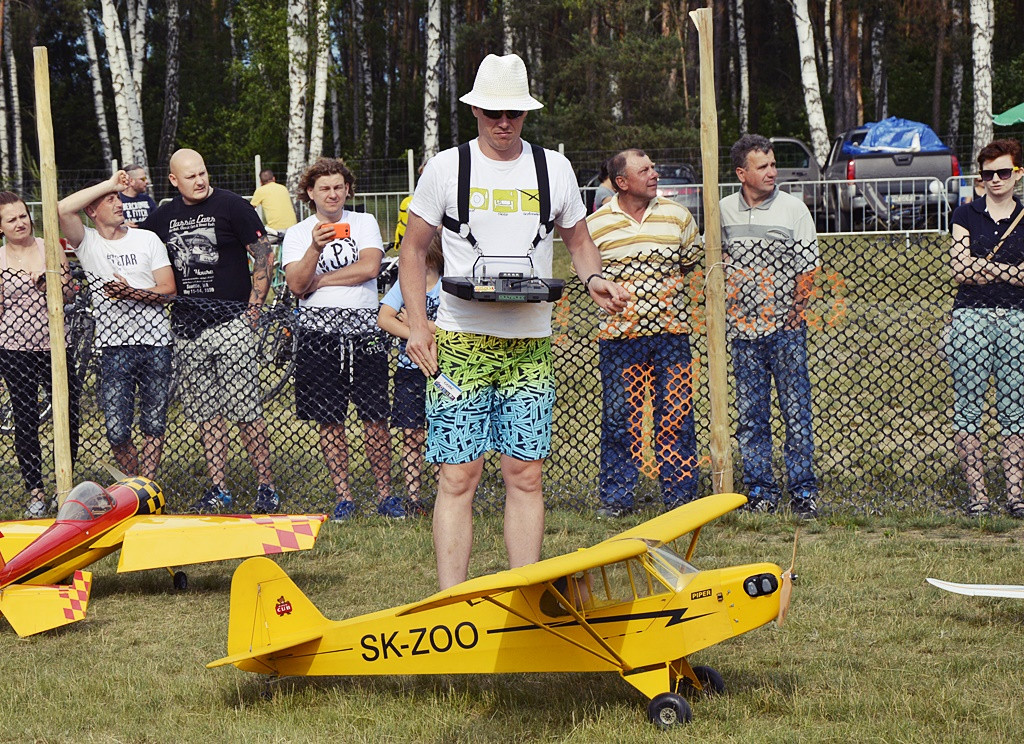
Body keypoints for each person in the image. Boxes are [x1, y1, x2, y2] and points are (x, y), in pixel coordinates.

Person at [399, 53, 629, 589]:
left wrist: (595, 280)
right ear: (475, 110)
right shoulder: (445, 168)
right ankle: (451, 600)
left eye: (516, 114)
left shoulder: (554, 169)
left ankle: (524, 597)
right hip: (459, 343)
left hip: (530, 343)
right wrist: (417, 324)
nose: (505, 123)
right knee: (459, 476)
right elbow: (413, 251)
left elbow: (578, 242)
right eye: (494, 113)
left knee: (525, 474)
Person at [139, 148, 281, 513]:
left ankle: (266, 485)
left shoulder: (233, 205)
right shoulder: (164, 216)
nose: (200, 181)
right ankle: (219, 487)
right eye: (191, 176)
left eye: (203, 172)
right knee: (207, 415)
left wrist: (253, 310)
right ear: (173, 180)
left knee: (247, 410)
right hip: (187, 329)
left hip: (232, 323)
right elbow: (138, 248)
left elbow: (263, 254)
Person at [283, 157, 400, 520]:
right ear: (310, 194)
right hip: (319, 334)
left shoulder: (363, 221)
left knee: (375, 414)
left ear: (347, 189)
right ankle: (344, 497)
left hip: (365, 328)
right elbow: (296, 285)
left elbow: (370, 267)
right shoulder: (299, 233)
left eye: (338, 187)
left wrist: (321, 280)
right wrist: (315, 250)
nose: (332, 194)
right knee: (329, 418)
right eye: (324, 189)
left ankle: (385, 494)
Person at [586, 149, 702, 518]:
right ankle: (617, 498)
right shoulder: (596, 225)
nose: (655, 174)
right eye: (645, 170)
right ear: (621, 182)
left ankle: (681, 498)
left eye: (653, 168)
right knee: (621, 419)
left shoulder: (678, 216)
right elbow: (588, 274)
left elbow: (689, 262)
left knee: (676, 416)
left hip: (672, 337)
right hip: (620, 341)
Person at [719, 134, 820, 518]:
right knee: (751, 415)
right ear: (742, 172)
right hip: (742, 333)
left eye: (773, 165)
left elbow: (808, 266)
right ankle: (760, 491)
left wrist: (796, 309)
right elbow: (716, 258)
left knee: (796, 411)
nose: (772, 172)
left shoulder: (794, 210)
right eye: (763, 167)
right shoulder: (723, 210)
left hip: (785, 331)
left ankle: (803, 491)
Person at [57, 171, 176, 479]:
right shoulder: (88, 242)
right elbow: (61, 209)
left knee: (153, 423)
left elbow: (168, 289)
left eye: (118, 198)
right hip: (113, 347)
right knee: (116, 430)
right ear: (92, 211)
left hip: (156, 343)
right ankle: (133, 481)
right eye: (110, 200)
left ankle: (146, 485)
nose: (119, 203)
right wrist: (110, 183)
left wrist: (131, 293)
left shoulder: (147, 239)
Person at [949, 138, 1024, 517]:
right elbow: (959, 270)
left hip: (1016, 319)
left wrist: (984, 267)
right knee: (968, 407)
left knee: (1015, 408)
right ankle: (977, 496)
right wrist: (1012, 272)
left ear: (1018, 174)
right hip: (970, 317)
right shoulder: (964, 214)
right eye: (988, 173)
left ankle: (1015, 494)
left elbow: (970, 268)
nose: (996, 179)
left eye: (1003, 172)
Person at [0, 191, 79, 517]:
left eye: (23, 215)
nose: (20, 223)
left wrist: (52, 282)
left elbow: (72, 292)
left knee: (69, 415)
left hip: (56, 346)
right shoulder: (0, 259)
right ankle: (36, 490)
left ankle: (68, 485)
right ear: (1, 226)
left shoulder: (50, 247)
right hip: (15, 350)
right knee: (26, 420)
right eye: (11, 219)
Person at [377, 231, 444, 515]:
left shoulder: (448, 287)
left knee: (442, 434)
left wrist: (421, 325)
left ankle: (445, 496)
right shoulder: (405, 286)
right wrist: (415, 332)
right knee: (411, 434)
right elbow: (384, 318)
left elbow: (449, 329)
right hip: (409, 372)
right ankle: (413, 496)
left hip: (441, 371)